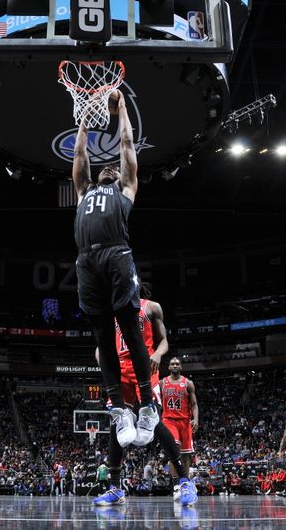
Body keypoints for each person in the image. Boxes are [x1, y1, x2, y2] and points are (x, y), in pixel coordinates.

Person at [72, 88, 159, 449]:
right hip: (87, 260)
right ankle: (119, 409)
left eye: (112, 166)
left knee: (130, 329)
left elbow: (125, 144)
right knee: (102, 337)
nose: (107, 166)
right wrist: (83, 122)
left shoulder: (126, 188)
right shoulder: (83, 191)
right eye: (102, 166)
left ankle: (147, 405)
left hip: (117, 255)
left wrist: (121, 108)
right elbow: (79, 154)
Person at [92, 289, 197, 507]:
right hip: (121, 371)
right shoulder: (112, 313)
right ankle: (115, 488)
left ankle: (184, 481)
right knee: (117, 424)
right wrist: (103, 364)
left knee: (154, 422)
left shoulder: (151, 307)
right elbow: (100, 346)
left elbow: (164, 341)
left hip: (145, 369)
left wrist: (158, 354)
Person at [161, 357, 199, 502]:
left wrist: (196, 419)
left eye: (177, 364)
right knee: (173, 450)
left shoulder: (188, 383)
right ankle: (176, 486)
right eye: (172, 364)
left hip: (184, 421)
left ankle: (185, 483)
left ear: (181, 367)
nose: (175, 365)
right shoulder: (162, 383)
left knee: (185, 456)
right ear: (169, 367)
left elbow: (194, 405)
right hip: (168, 420)